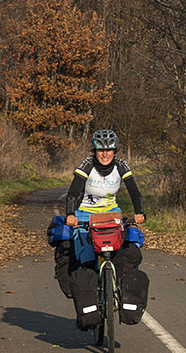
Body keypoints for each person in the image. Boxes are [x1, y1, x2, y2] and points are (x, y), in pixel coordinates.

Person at [54, 129, 149, 329]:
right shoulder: (87, 165)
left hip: (111, 213)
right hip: (85, 214)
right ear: (95, 150)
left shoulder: (121, 166)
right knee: (86, 255)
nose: (105, 154)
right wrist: (71, 214)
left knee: (119, 251)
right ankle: (91, 294)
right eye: (101, 150)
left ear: (115, 151)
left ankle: (116, 285)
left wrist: (139, 211)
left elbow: (134, 190)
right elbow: (73, 193)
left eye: (109, 150)